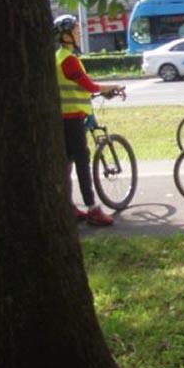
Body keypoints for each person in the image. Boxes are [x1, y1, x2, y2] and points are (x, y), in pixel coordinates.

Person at [53, 14, 119, 226]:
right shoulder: (68, 59)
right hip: (72, 118)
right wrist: (112, 87)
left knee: (68, 162)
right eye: (76, 31)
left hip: (66, 116)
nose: (79, 34)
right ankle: (92, 208)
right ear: (66, 36)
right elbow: (88, 86)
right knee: (82, 161)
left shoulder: (58, 57)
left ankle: (68, 206)